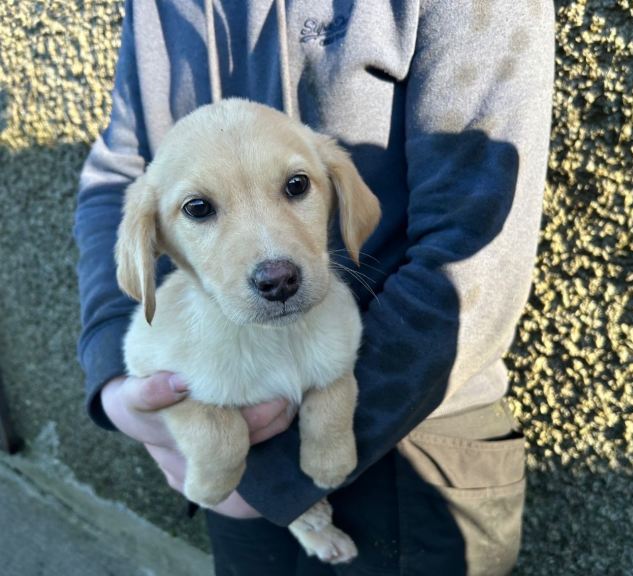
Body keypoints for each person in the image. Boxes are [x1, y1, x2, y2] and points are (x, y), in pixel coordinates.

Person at [75, 1, 555, 574]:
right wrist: (118, 378)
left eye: (296, 186)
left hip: (413, 432)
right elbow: (121, 176)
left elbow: (476, 244)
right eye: (200, 208)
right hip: (227, 423)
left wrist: (270, 473)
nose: (271, 263)